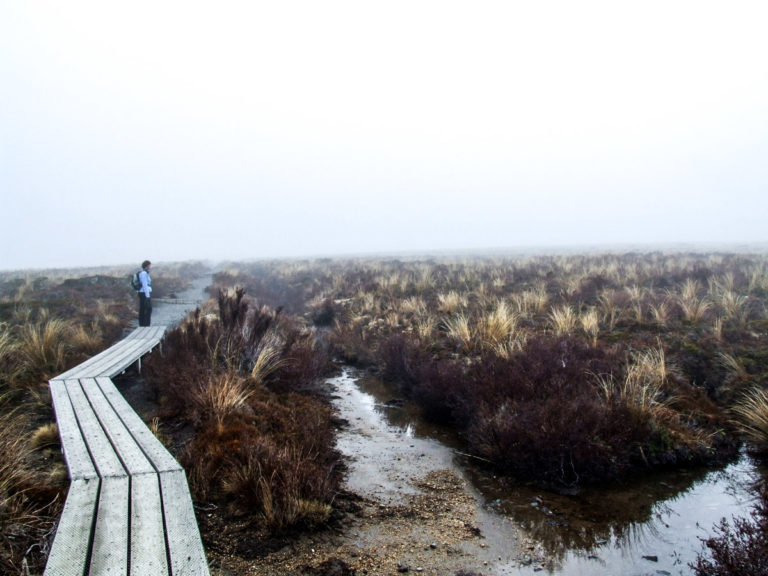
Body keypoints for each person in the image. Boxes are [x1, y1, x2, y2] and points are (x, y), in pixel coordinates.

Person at [138, 260, 152, 326]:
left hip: (143, 293)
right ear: (146, 266)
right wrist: (147, 296)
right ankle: (145, 324)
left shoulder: (145, 273)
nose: (150, 267)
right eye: (149, 265)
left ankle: (143, 324)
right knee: (147, 309)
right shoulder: (143, 273)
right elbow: (145, 285)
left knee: (143, 309)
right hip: (144, 293)